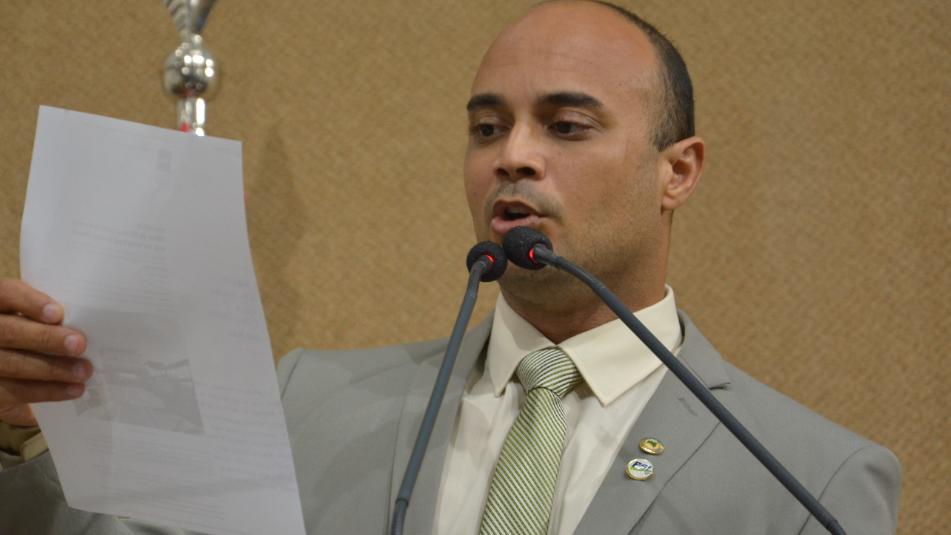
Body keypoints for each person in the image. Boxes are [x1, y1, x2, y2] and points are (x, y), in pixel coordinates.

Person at [0, 1, 900, 534]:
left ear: (678, 171)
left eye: (565, 126)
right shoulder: (308, 402)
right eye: (485, 127)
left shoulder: (808, 476)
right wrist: (21, 434)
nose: (511, 155)